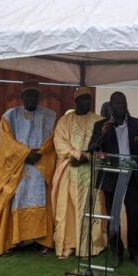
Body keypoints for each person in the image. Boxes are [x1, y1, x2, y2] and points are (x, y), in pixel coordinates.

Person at [0, 81, 56, 256]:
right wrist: (25, 154)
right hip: (17, 168)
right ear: (22, 96)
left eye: (35, 95)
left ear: (39, 97)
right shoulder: (10, 116)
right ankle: (14, 240)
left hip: (40, 165)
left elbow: (52, 141)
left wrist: (39, 153)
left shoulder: (50, 116)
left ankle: (41, 241)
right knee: (16, 199)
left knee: (41, 201)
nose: (32, 98)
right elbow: (6, 142)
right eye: (28, 95)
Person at [89, 91, 138, 267]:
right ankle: (116, 252)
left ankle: (136, 252)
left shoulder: (136, 123)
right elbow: (92, 148)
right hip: (112, 177)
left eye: (124, 104)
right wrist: (102, 134)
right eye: (118, 104)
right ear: (111, 106)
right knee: (113, 216)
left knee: (135, 215)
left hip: (133, 176)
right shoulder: (101, 125)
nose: (122, 107)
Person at [52, 87, 106, 259]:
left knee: (89, 208)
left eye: (89, 99)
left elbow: (104, 142)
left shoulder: (98, 120)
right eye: (83, 99)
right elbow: (59, 141)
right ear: (75, 101)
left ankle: (89, 246)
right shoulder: (64, 121)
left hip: (91, 171)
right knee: (67, 209)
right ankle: (69, 244)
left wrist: (86, 156)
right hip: (70, 169)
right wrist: (76, 154)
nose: (87, 102)